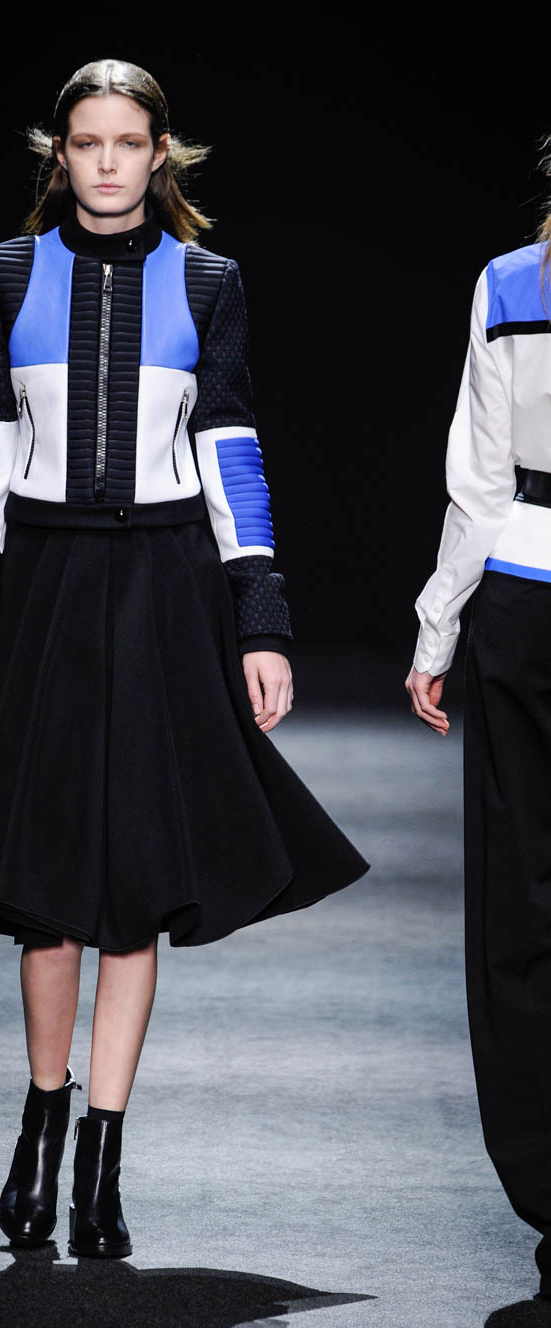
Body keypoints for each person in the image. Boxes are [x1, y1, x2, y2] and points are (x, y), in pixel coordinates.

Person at [0, 58, 369, 1260]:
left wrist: (260, 619)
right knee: (42, 885)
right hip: (42, 585)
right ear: (58, 154)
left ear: (160, 154)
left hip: (165, 585)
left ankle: (101, 1154)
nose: (108, 162)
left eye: (128, 142)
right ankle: (41, 1117)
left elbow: (230, 445)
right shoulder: (6, 272)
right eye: (86, 142)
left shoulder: (207, 280)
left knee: (135, 880)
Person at [406, 165, 551, 1300]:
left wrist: (436, 629)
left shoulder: (514, 284)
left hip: (527, 600)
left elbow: (483, 480)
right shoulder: (507, 287)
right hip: (522, 597)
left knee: (524, 901)